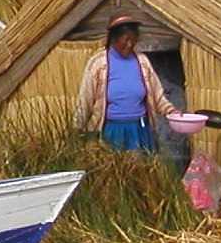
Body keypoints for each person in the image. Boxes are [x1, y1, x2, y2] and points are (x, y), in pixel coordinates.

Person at [74, 14, 176, 153]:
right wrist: (77, 128)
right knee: (113, 171)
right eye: (126, 39)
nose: (130, 44)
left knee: (142, 170)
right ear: (114, 38)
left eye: (133, 40)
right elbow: (85, 98)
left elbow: (157, 95)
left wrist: (171, 111)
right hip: (112, 131)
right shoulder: (98, 63)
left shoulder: (142, 62)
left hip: (140, 129)